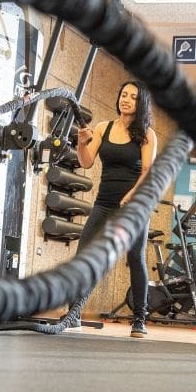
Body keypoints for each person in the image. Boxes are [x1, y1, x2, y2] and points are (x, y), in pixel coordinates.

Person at [70, 80, 158, 337]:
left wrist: (132, 194)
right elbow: (86, 163)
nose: (126, 99)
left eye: (132, 96)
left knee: (135, 258)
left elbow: (148, 171)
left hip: (134, 207)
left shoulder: (146, 134)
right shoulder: (103, 128)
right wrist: (81, 143)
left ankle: (139, 319)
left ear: (140, 103)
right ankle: (73, 312)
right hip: (104, 203)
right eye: (123, 94)